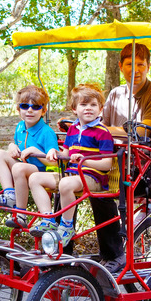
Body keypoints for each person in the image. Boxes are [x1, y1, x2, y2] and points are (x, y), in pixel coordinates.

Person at [93, 43, 151, 273]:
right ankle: (61, 246)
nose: (136, 69)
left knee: (101, 188)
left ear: (148, 67)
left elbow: (142, 133)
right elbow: (101, 127)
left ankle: (115, 253)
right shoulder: (116, 93)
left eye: (141, 64)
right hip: (116, 159)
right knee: (71, 177)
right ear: (121, 66)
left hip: (147, 163)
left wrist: (103, 131)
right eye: (130, 64)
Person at [27, 83, 114, 247]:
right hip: (72, 175)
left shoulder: (102, 132)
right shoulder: (73, 129)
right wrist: (54, 153)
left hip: (92, 177)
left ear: (101, 109)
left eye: (93, 105)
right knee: (35, 178)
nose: (88, 108)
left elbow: (106, 164)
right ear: (74, 109)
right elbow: (66, 155)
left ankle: (67, 226)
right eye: (83, 104)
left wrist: (84, 160)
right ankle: (48, 219)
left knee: (66, 183)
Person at [0, 85, 59, 228]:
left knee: (19, 167)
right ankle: (9, 195)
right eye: (25, 106)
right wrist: (12, 146)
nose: (29, 110)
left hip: (41, 172)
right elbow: (17, 148)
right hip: (23, 167)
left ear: (43, 111)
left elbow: (54, 163)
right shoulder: (20, 127)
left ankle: (21, 215)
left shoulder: (46, 132)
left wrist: (34, 150)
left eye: (35, 107)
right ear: (19, 110)